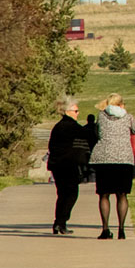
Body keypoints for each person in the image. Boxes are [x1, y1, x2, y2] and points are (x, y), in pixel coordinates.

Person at [88, 93, 135, 240]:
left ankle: (105, 229)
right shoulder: (128, 117)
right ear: (121, 104)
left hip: (104, 159)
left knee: (104, 195)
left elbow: (96, 132)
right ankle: (121, 229)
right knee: (122, 195)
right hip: (123, 159)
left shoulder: (101, 116)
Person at [46, 96, 88, 235]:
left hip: (57, 166)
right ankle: (61, 221)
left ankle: (59, 222)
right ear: (68, 111)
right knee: (71, 194)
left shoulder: (58, 127)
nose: (78, 113)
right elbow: (87, 135)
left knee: (62, 194)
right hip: (68, 165)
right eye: (76, 111)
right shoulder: (72, 127)